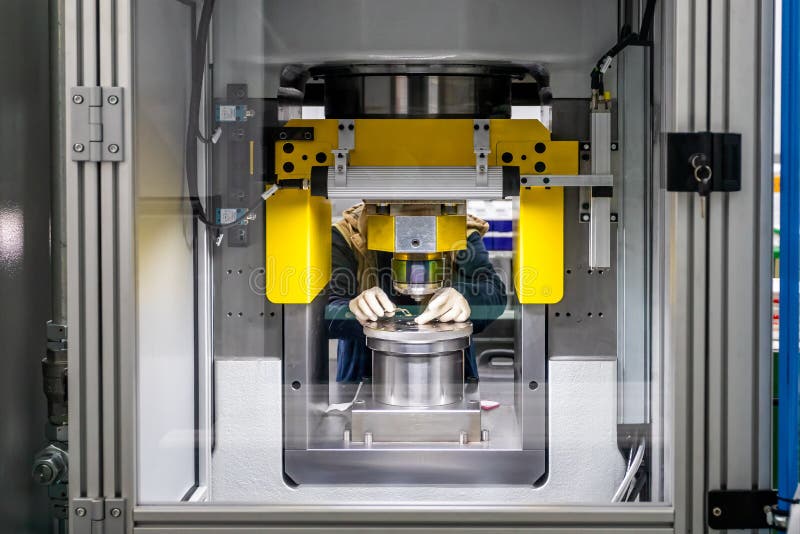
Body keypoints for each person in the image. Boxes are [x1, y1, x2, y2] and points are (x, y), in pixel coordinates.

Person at [326, 203, 507, 382]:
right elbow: (324, 313)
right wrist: (352, 309)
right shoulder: (348, 234)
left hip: (449, 375)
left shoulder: (459, 232)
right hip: (365, 375)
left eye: (425, 212)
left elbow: (494, 291)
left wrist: (465, 299)